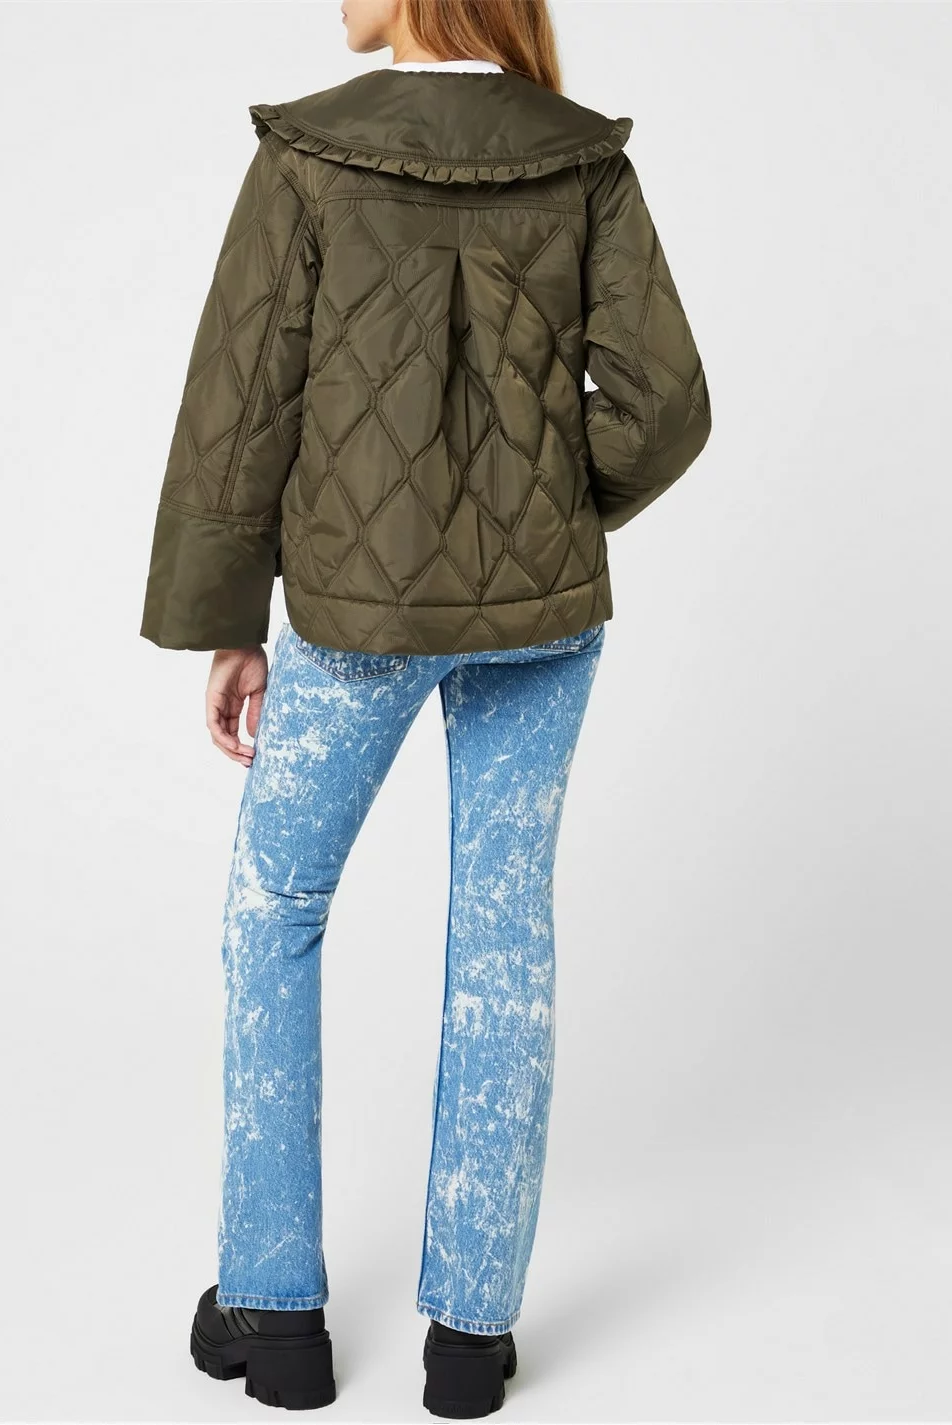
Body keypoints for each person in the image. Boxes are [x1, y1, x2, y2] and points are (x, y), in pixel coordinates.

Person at [139, 0, 712, 1414]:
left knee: (277, 911)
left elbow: (241, 401)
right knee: (503, 926)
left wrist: (226, 621)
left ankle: (276, 1310)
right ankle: (471, 1338)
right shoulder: (583, 160)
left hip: (356, 620)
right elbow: (666, 405)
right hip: (544, 621)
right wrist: (550, 520)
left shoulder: (308, 158)